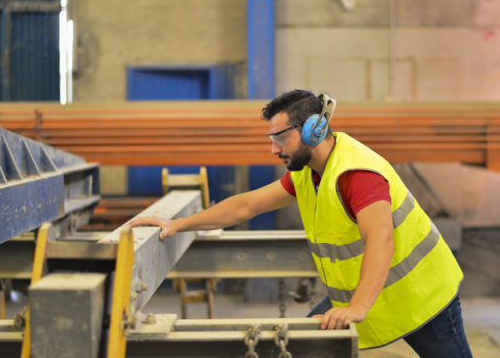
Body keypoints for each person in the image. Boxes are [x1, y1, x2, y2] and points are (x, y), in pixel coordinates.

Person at [128, 90, 473, 357]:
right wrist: (177, 224)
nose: (274, 150)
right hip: (369, 293)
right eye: (271, 140)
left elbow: (381, 239)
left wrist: (357, 308)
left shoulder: (357, 175)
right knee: (299, 346)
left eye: (280, 139)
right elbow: (246, 205)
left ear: (313, 130)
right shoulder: (309, 174)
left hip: (422, 297)